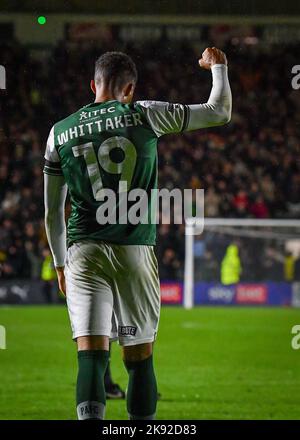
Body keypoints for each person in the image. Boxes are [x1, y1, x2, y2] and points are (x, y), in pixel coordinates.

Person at [44, 47, 231, 420]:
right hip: (134, 250)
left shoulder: (59, 132)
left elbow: (52, 213)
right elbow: (219, 112)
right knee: (139, 358)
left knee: (91, 355)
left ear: (92, 85)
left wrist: (60, 264)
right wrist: (219, 68)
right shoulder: (143, 112)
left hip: (83, 251)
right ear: (129, 89)